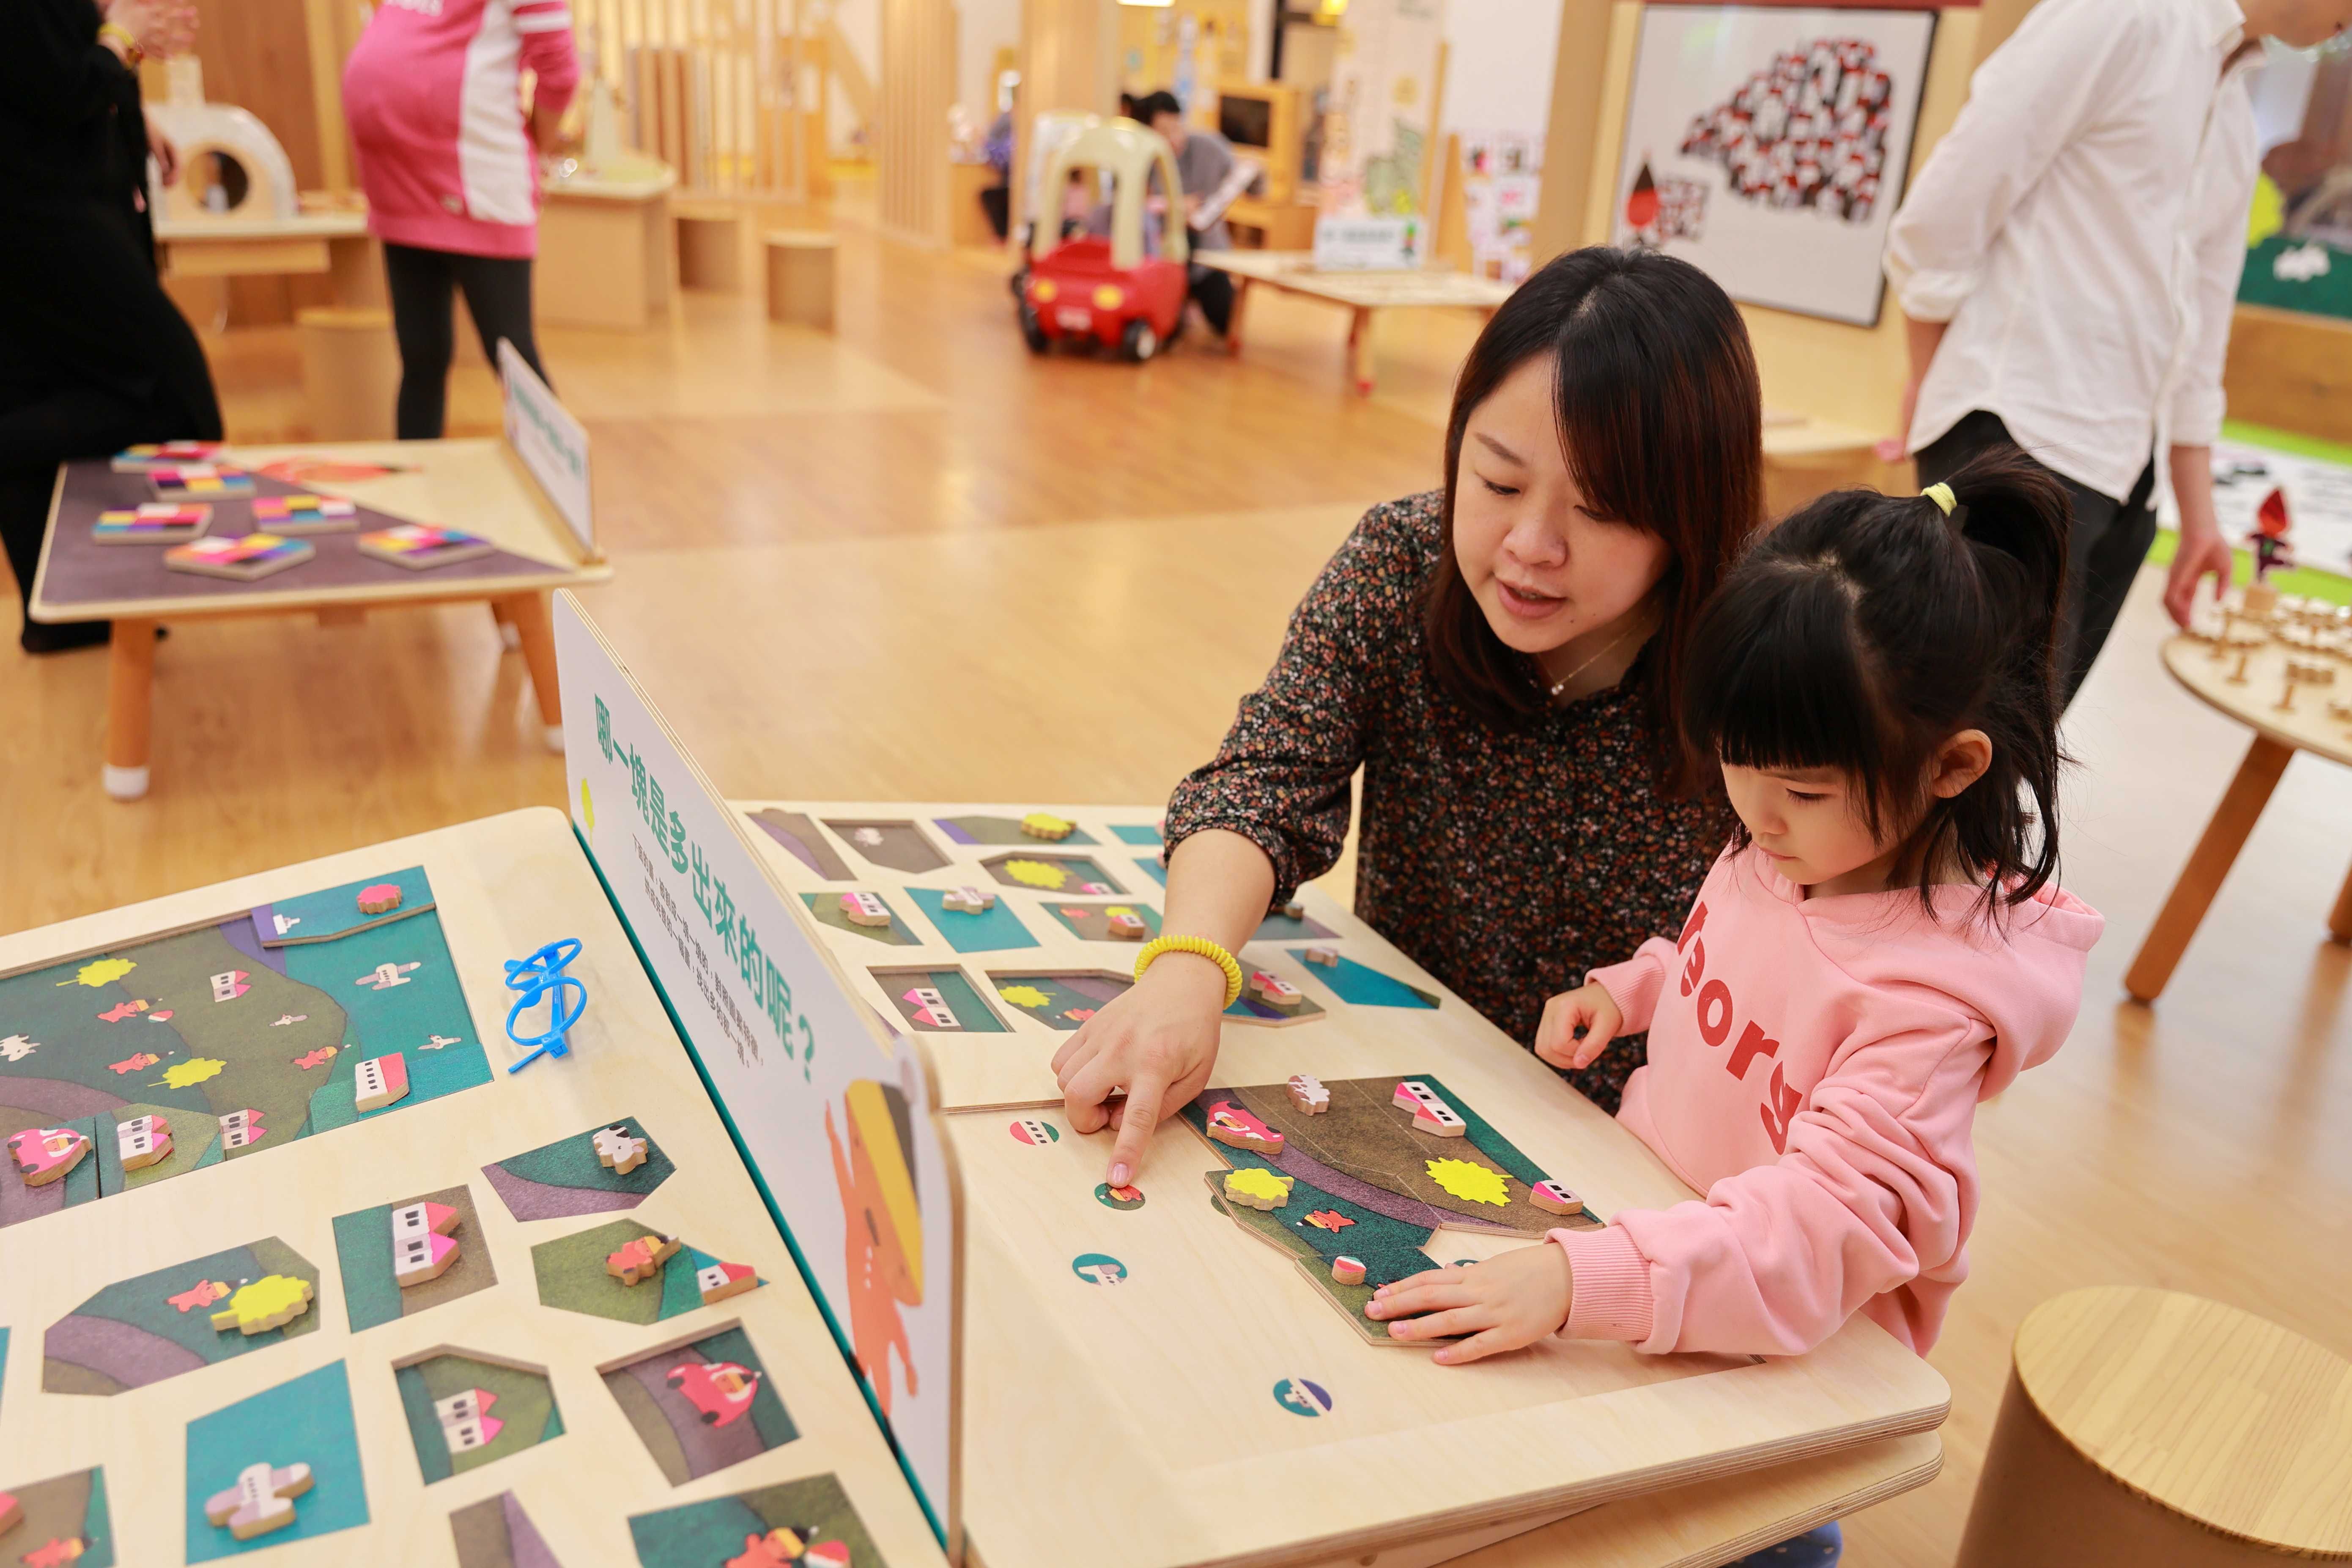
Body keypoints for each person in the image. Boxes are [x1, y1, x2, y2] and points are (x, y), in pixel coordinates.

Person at [1364, 452, 2103, 1565]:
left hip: (1778, 1369)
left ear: (1950, 766)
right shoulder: (1805, 844)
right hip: (1651, 1245)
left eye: (1797, 789)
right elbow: (1734, 950)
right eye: (1735, 771)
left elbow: (1812, 1237)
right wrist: (1633, 987)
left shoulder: (1929, 1012)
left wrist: (1577, 1279)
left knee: (1747, 1544)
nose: (1753, 815)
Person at [1053, 247, 1766, 1190]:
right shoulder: (1404, 561)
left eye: (1597, 511)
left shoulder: (1764, 644)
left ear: (1691, 517)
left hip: (1647, 1152)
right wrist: (1186, 971)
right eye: (1499, 482)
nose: (1529, 547)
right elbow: (1268, 777)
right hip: (1400, 1081)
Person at [1881, 0, 2352, 705]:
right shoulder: (2118, 15)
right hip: (2018, 439)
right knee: (1943, 753)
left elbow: (2198, 330)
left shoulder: (2228, 112)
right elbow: (1940, 217)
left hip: (2125, 481)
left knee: (2015, 763)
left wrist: (2196, 517)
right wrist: (1933, 381)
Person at [0, 0, 223, 655]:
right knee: (176, 398)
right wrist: (121, 40)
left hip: (41, 201)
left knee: (36, 388)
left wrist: (125, 102)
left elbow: (36, 71)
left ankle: (69, 613)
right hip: (39, 212)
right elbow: (57, 79)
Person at [342, 0, 580, 440]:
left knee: (512, 356)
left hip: (477, 180)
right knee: (420, 356)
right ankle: (416, 497)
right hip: (400, 187)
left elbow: (561, 72)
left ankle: (565, 502)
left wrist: (539, 145)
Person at [1135, 89, 1259, 337]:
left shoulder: (1210, 146)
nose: (1173, 138)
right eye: (1163, 131)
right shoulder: (1146, 158)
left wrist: (1255, 174)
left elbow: (1250, 185)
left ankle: (1190, 306)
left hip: (1207, 256)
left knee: (1227, 320)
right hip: (1162, 257)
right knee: (1162, 327)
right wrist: (1176, 206)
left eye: (1176, 127)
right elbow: (1135, 204)